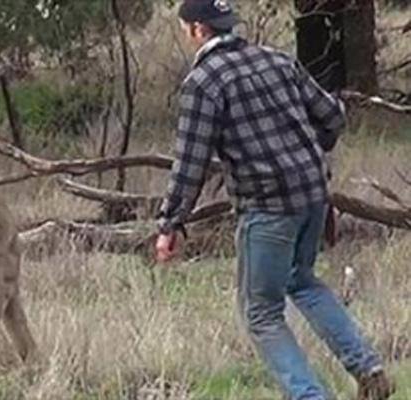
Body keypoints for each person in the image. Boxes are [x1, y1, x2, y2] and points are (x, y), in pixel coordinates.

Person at [154, 1, 394, 399]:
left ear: (198, 30)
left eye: (186, 29)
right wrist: (306, 154)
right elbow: (333, 117)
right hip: (314, 195)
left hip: (267, 208)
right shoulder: (277, 60)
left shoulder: (204, 82)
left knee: (261, 314)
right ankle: (369, 368)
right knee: (301, 280)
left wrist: (170, 224)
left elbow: (190, 162)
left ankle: (309, 395)